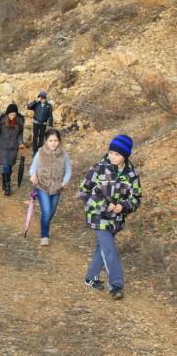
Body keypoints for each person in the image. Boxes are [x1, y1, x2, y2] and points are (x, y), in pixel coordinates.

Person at [80, 135, 142, 300]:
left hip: (117, 219)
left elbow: (136, 198)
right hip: (97, 216)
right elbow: (84, 191)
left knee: (102, 248)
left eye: (117, 154)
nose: (112, 157)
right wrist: (103, 205)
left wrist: (124, 206)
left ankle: (91, 276)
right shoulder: (98, 169)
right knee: (109, 249)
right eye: (111, 152)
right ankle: (116, 285)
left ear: (125, 156)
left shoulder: (132, 174)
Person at [29, 128, 72, 246]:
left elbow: (68, 170)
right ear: (46, 141)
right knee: (46, 212)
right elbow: (33, 168)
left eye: (56, 141)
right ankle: (44, 235)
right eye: (50, 140)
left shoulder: (64, 155)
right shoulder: (40, 153)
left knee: (51, 212)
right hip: (42, 186)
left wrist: (64, 182)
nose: (53, 143)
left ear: (59, 141)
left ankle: (45, 225)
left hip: (57, 188)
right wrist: (33, 175)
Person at [0, 104, 25, 196]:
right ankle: (7, 187)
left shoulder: (19, 122)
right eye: (11, 115)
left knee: (10, 167)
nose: (12, 117)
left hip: (14, 147)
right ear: (7, 114)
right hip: (3, 146)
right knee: (6, 166)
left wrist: (20, 142)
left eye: (14, 115)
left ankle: (5, 179)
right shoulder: (2, 122)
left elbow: (20, 134)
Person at [27, 91, 53, 157]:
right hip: (36, 122)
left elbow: (50, 115)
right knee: (35, 136)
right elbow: (28, 107)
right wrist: (36, 101)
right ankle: (34, 150)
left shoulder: (48, 105)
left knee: (41, 137)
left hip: (43, 123)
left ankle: (39, 150)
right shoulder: (36, 104)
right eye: (40, 97)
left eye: (43, 98)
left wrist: (50, 125)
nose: (42, 99)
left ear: (45, 98)